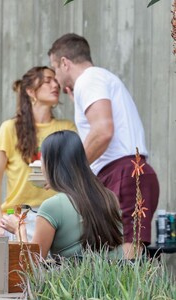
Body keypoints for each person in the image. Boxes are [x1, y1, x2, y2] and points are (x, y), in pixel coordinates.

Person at [48, 33, 159, 253]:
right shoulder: (98, 80)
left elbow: (102, 131)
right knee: (116, 259)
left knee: (127, 264)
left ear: (64, 62)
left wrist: (69, 171)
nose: (56, 78)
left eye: (55, 70)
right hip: (124, 174)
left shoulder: (89, 80)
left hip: (124, 175)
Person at [0, 130, 124, 260]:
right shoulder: (109, 197)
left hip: (75, 280)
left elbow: (30, 267)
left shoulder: (53, 206)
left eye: (42, 159)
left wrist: (18, 229)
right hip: (113, 279)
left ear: (51, 164)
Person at [0, 66, 76, 237]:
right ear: (30, 91)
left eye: (56, 80)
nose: (55, 85)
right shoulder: (9, 128)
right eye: (47, 80)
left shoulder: (67, 128)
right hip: (17, 218)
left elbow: (76, 172)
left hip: (56, 218)